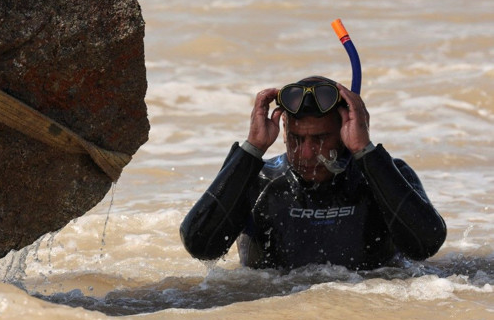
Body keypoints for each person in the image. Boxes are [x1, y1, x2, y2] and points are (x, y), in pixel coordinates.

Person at [180, 76, 446, 270]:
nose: (306, 154)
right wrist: (252, 148)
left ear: (344, 132)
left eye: (320, 139)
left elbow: (425, 246)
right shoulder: (257, 180)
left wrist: (365, 151)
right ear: (284, 131)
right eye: (296, 139)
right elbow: (200, 247)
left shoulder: (384, 176)